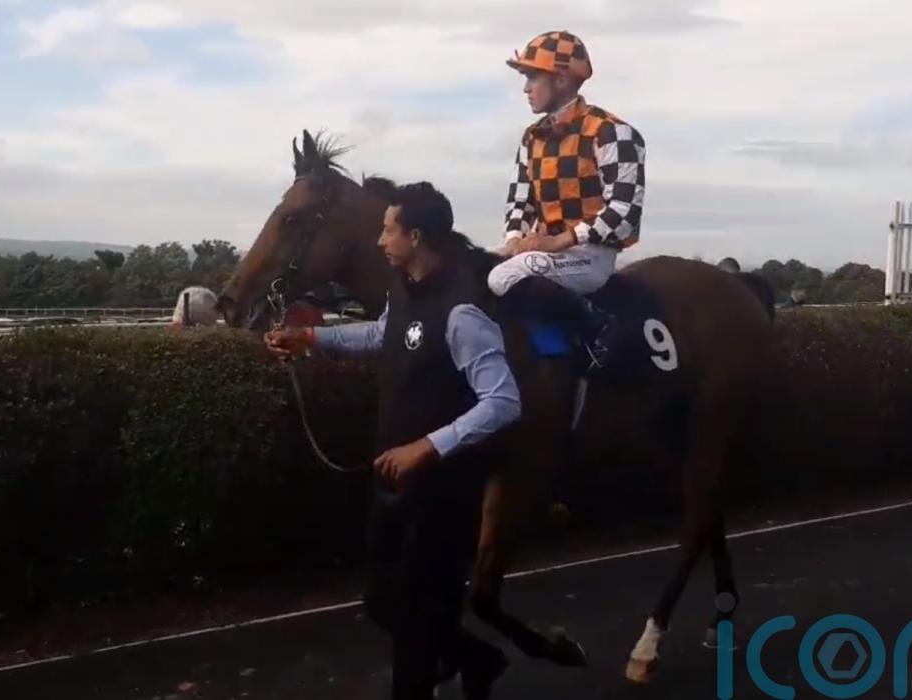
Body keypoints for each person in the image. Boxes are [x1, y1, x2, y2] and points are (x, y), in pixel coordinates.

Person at [265, 181, 519, 700]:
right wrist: (311, 338)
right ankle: (479, 658)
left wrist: (426, 447)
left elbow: (502, 401)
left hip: (443, 492)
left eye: (388, 230)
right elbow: (382, 334)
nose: (381, 240)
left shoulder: (463, 311)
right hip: (393, 480)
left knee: (420, 624)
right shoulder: (403, 287)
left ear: (416, 236)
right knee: (381, 602)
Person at [488, 30, 647, 369]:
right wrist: (514, 239)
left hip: (591, 255)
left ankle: (597, 329)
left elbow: (623, 212)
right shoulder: (531, 138)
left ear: (561, 79)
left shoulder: (611, 132)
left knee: (501, 278)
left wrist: (557, 241)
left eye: (532, 77)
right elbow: (519, 202)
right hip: (545, 251)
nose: (526, 88)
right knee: (477, 267)